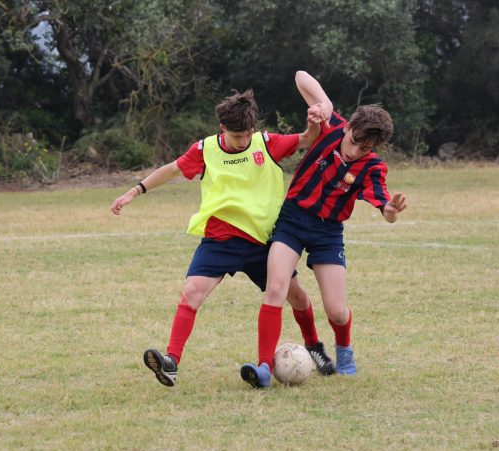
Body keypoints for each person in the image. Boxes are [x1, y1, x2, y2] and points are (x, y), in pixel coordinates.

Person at [111, 88, 335, 387]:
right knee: (192, 293)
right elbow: (172, 169)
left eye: (247, 134)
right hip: (220, 239)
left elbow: (307, 139)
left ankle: (314, 345)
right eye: (236, 136)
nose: (243, 141)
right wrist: (135, 190)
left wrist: (314, 123)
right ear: (222, 128)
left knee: (298, 297)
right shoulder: (205, 149)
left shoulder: (266, 144)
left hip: (262, 242)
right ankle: (172, 361)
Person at [241, 71, 408, 388]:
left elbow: (385, 209)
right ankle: (263, 367)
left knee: (337, 311)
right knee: (276, 289)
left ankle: (344, 350)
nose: (354, 151)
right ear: (348, 127)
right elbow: (300, 76)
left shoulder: (372, 167)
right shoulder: (330, 126)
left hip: (328, 233)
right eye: (354, 142)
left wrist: (392, 210)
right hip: (292, 220)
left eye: (365, 148)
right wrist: (324, 106)